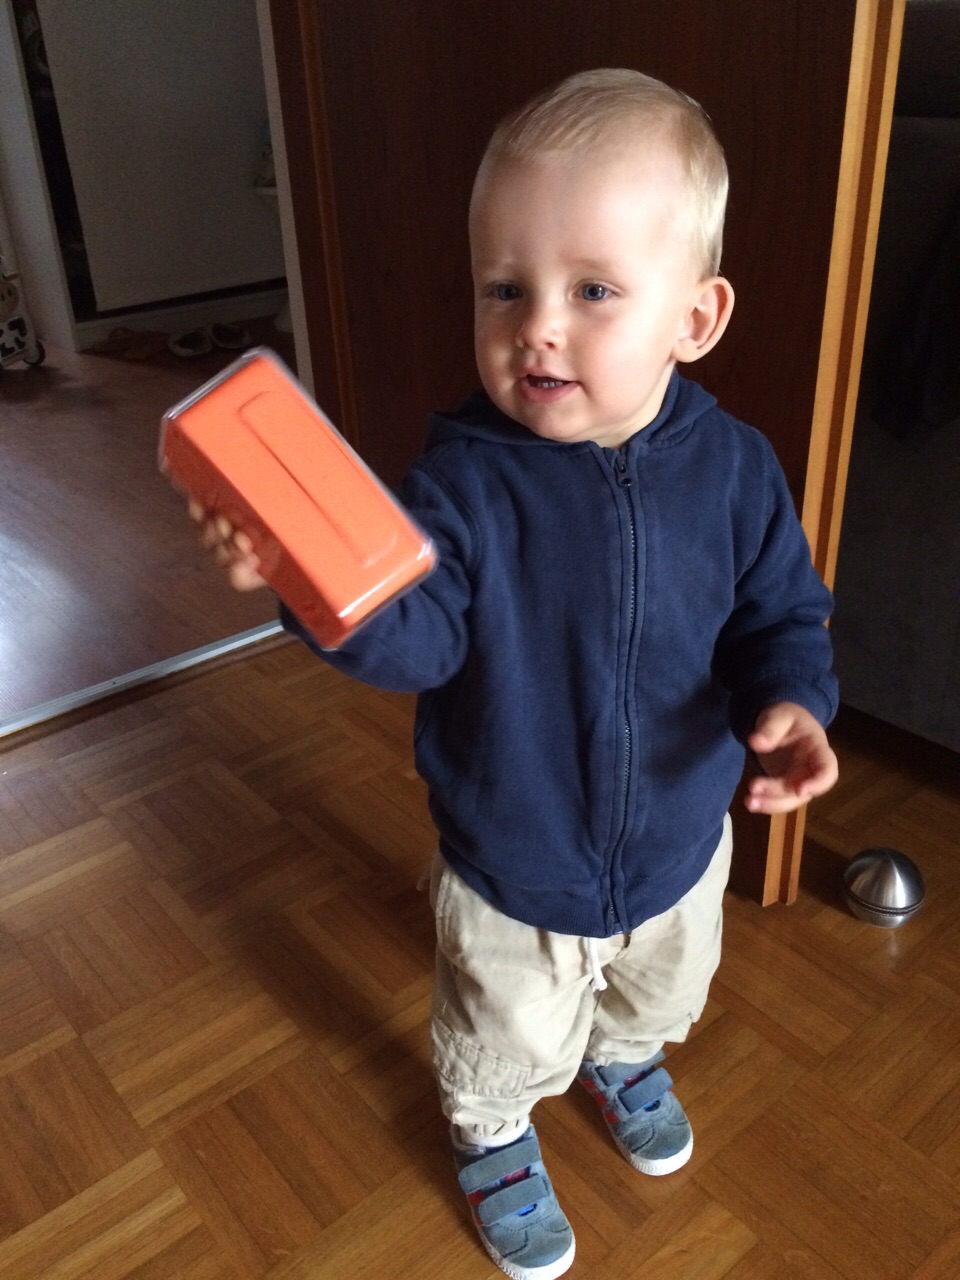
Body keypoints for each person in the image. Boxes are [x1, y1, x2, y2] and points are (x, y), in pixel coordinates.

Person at [194, 68, 839, 1280]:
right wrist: (307, 577)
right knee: (505, 1028)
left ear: (695, 318)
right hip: (513, 858)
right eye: (505, 287)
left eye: (592, 289)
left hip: (681, 841)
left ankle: (623, 1056)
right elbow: (418, 635)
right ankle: (492, 1128)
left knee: (659, 990)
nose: (537, 323)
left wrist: (795, 702)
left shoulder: (740, 471)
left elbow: (782, 616)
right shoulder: (463, 483)